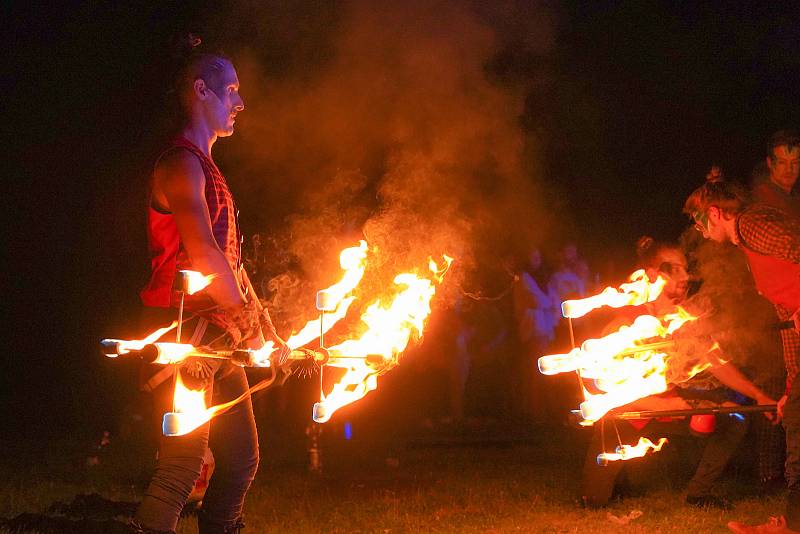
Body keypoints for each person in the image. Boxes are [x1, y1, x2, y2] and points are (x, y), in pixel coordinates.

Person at [133, 37, 289, 534]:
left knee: (241, 460)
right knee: (182, 465)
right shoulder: (178, 163)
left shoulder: (210, 169)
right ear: (203, 90)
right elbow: (202, 253)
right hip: (185, 334)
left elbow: (231, 262)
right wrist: (252, 329)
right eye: (232, 91)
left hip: (218, 333)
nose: (241, 103)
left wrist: (265, 328)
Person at [580, 237, 776, 510]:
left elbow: (715, 360)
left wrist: (758, 396)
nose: (685, 277)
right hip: (627, 417)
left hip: (671, 408)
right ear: (651, 275)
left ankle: (699, 492)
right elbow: (615, 394)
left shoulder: (683, 319)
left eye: (685, 268)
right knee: (595, 501)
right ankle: (622, 478)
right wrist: (677, 404)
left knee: (736, 416)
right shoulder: (624, 325)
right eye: (673, 269)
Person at [684, 181, 800, 533]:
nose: (700, 231)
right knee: (795, 416)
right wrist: (791, 388)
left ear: (716, 213)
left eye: (700, 222)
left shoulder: (752, 223)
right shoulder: (749, 241)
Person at [752, 130, 800, 218]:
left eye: (795, 162)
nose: (789, 169)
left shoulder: (795, 194)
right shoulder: (763, 201)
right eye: (782, 162)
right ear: (770, 163)